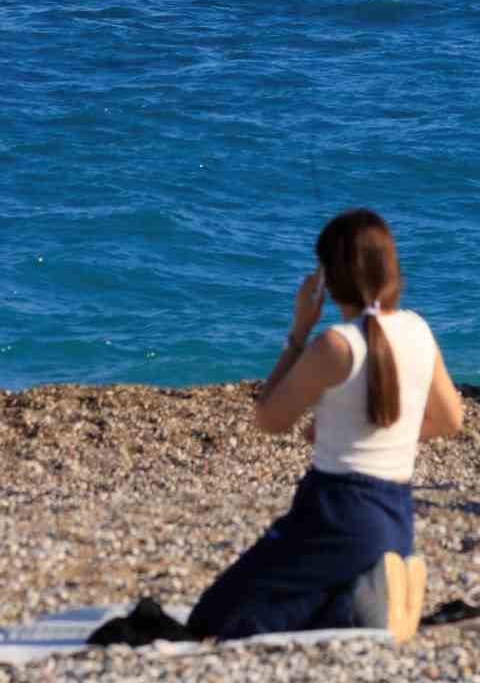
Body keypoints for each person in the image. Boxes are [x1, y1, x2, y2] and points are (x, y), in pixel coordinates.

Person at [187, 208, 463, 643]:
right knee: (292, 600)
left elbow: (269, 419)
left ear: (329, 280)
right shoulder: (418, 329)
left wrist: (298, 331)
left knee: (214, 620)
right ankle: (367, 594)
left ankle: (359, 609)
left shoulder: (335, 345)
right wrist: (372, 434)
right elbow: (449, 419)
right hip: (396, 518)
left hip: (335, 513)